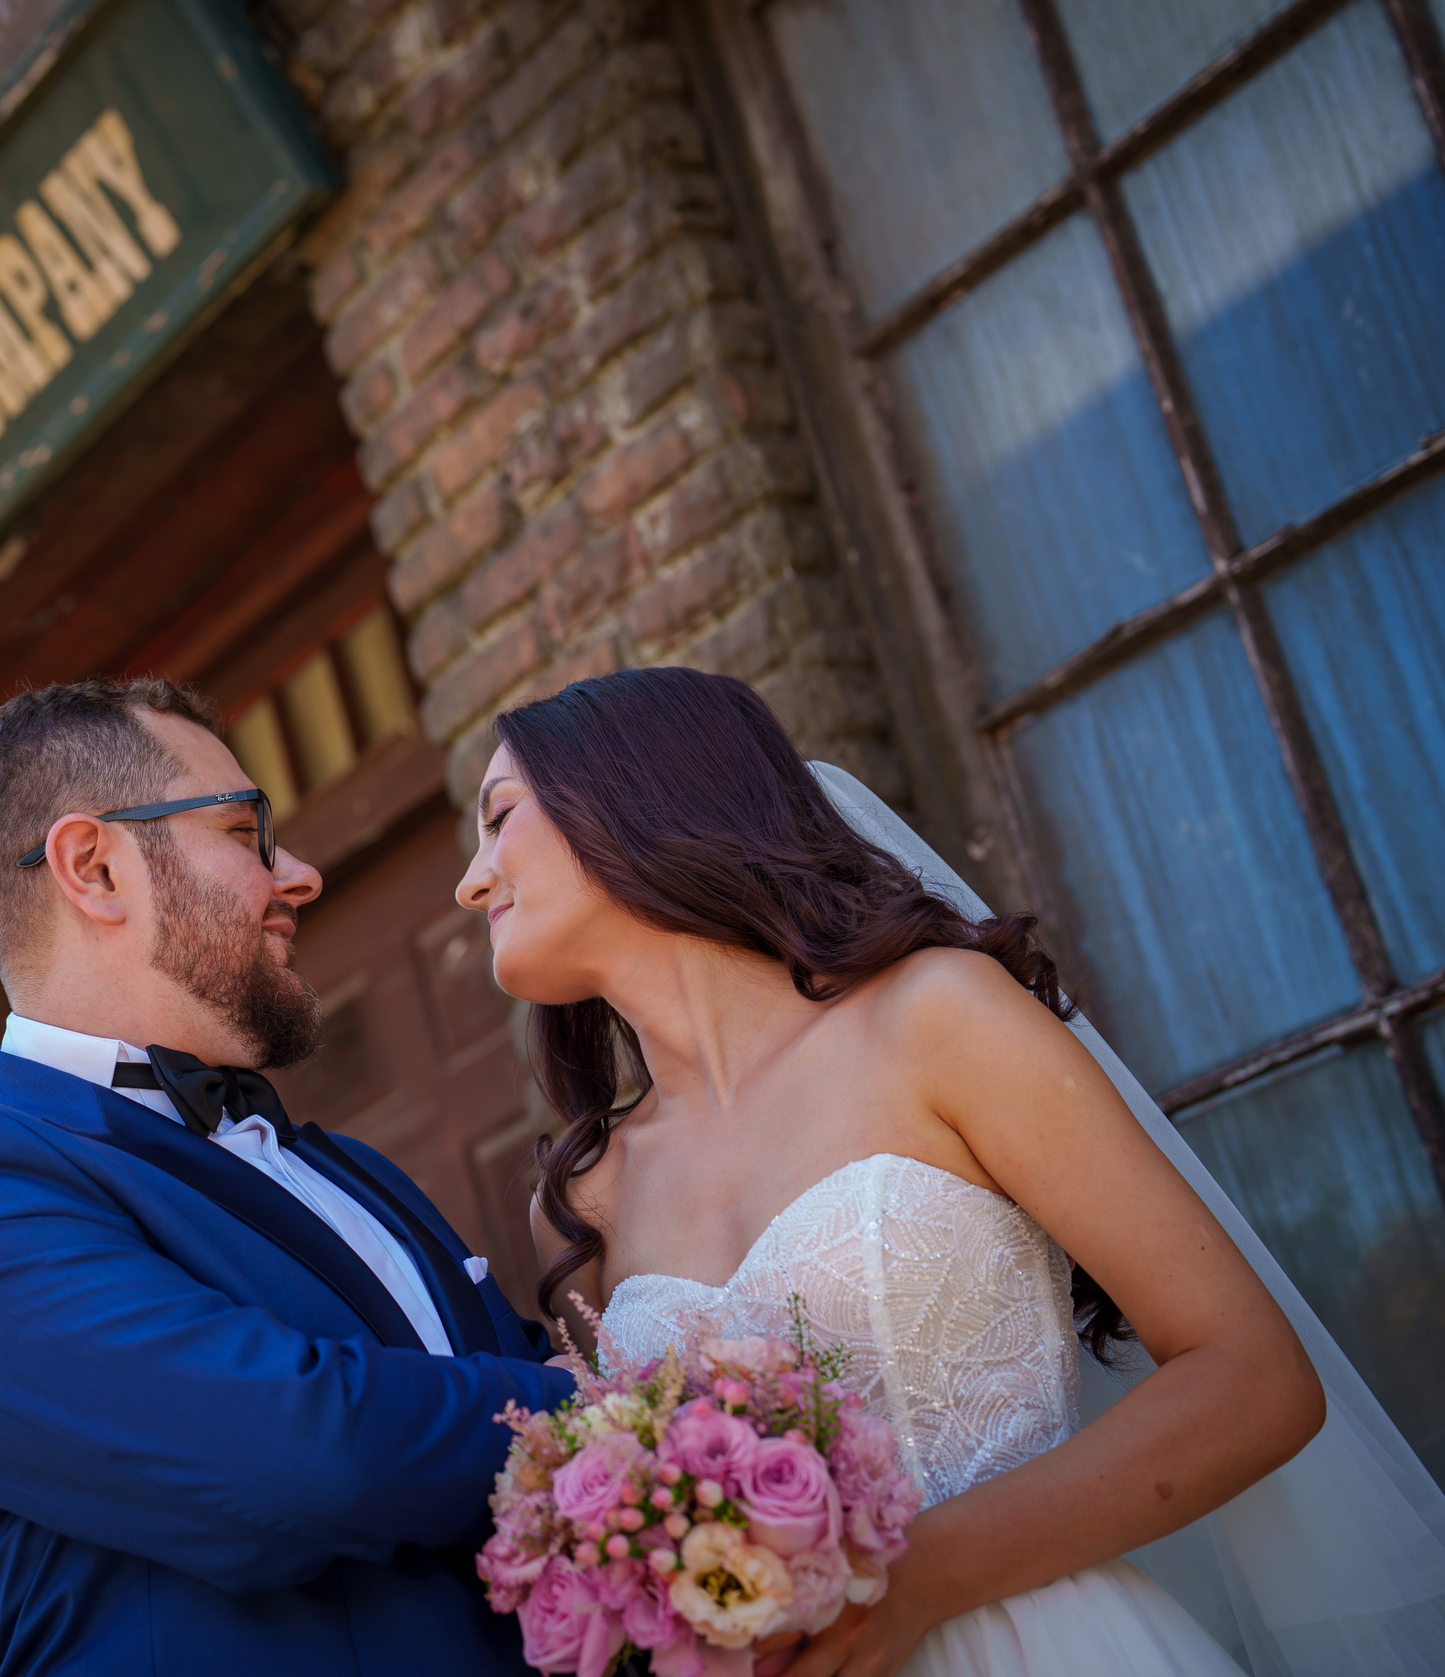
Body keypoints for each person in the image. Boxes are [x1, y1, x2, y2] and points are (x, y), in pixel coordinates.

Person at [457, 666, 1445, 1677]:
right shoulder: (581, 1203)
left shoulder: (935, 1020)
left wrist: (917, 1578)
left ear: (633, 793)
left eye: (499, 820)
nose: (472, 879)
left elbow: (1254, 1380)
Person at [0, 677, 573, 1675]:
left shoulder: (352, 1171)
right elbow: (297, 1458)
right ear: (95, 868)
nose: (303, 874)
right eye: (246, 832)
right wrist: (580, 1411)